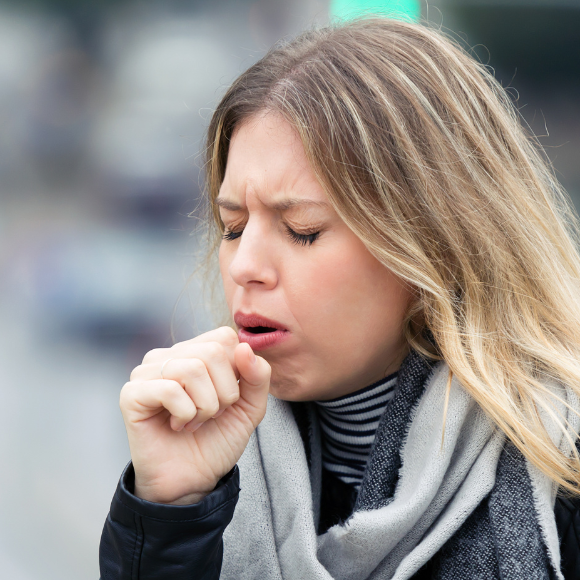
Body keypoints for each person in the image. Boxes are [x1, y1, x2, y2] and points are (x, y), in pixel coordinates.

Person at [99, 16, 580, 580]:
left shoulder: (562, 465)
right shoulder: (206, 462)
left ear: (434, 243)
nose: (246, 266)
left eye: (302, 229)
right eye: (232, 227)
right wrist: (170, 515)